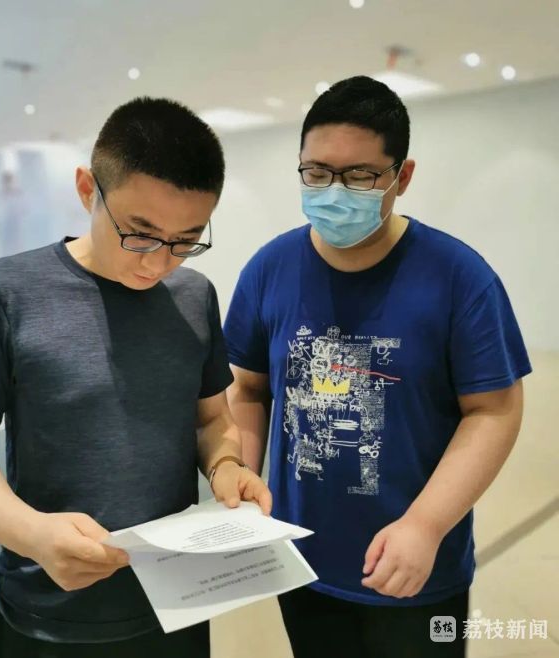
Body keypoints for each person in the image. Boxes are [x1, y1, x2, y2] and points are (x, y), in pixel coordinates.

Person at [223, 76, 531, 658]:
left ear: (401, 176)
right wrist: (243, 475)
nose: (334, 191)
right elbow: (249, 389)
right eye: (316, 172)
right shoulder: (270, 268)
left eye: (360, 175)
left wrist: (426, 525)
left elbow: (494, 411)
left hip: (417, 569)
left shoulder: (459, 277)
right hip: (301, 560)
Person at [0, 96, 271, 658]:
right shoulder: (4, 294)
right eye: (140, 232)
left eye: (185, 240)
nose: (158, 262)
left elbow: (211, 418)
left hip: (175, 603)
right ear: (88, 190)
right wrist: (33, 534)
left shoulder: (193, 295)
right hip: (46, 615)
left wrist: (227, 465)